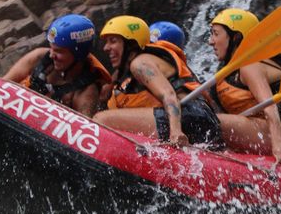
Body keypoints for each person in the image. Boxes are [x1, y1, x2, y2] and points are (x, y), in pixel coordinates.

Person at [209, 7, 281, 162]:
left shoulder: (250, 65)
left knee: (211, 121)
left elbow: (269, 105)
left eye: (215, 34)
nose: (211, 41)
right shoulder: (226, 72)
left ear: (236, 37)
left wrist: (277, 144)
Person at [94, 15, 221, 148]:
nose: (106, 48)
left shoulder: (140, 64)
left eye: (113, 41)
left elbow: (168, 95)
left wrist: (176, 131)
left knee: (101, 119)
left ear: (130, 43)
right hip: (198, 117)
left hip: (189, 117)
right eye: (107, 42)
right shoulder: (132, 68)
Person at [4, 13, 111, 117]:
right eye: (51, 48)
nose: (51, 55)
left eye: (59, 51)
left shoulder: (86, 93)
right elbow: (3, 83)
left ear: (79, 54)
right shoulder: (38, 57)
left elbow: (83, 131)